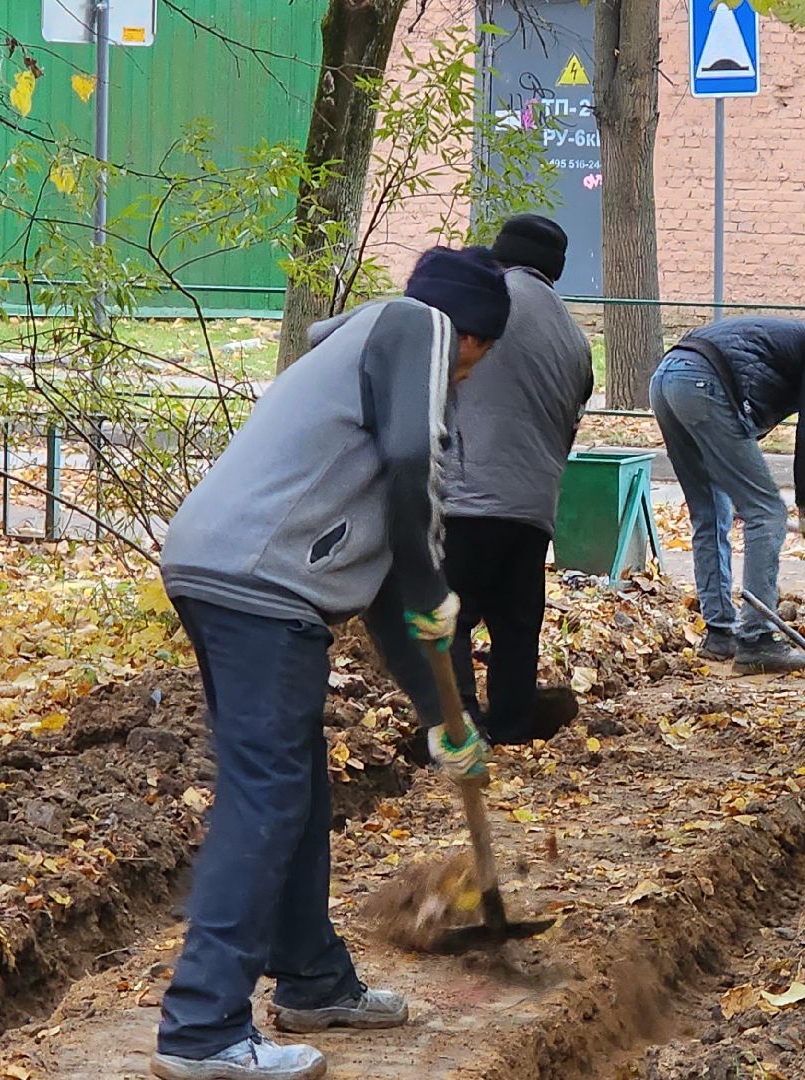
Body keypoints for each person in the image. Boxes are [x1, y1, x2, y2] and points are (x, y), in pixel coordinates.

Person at [150, 247, 507, 1080]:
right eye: (479, 357)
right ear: (477, 343)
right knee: (267, 797)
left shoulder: (365, 374)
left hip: (242, 576)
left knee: (297, 788)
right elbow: (416, 494)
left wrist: (441, 718)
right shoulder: (415, 325)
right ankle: (201, 1031)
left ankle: (313, 981)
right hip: (258, 581)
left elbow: (388, 593)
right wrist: (434, 581)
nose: (470, 371)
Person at [649, 315, 805, 674]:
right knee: (768, 514)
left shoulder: (803, 343)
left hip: (668, 378)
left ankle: (719, 635)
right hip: (703, 384)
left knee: (712, 510)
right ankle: (757, 640)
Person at [436, 214, 592, 744]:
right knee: (517, 626)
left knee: (449, 617)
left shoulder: (480, 301)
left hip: (466, 496)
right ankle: (510, 728)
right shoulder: (575, 336)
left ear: (499, 256)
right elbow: (569, 427)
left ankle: (462, 729)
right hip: (533, 506)